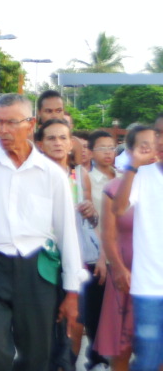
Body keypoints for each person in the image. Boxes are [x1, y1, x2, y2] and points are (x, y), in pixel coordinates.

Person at [0, 93, 85, 371]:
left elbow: (67, 234)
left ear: (31, 124)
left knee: (36, 354)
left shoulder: (52, 174)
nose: (2, 130)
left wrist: (72, 291)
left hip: (36, 269)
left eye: (11, 122)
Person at [35, 119, 97, 371]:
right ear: (40, 144)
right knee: (46, 323)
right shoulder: (33, 175)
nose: (58, 143)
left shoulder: (80, 175)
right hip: (42, 260)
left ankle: (66, 366)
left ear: (71, 143)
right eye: (51, 138)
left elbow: (91, 220)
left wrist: (91, 212)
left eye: (63, 138)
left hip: (74, 258)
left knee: (73, 322)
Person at [95, 126, 155, 371]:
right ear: (130, 152)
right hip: (125, 275)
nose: (152, 152)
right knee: (121, 347)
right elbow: (108, 235)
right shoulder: (114, 189)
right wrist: (118, 268)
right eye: (144, 146)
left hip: (155, 276)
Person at [111, 113, 163, 371]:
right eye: (159, 133)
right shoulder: (142, 174)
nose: (161, 140)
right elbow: (118, 209)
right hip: (149, 287)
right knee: (148, 360)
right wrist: (133, 166)